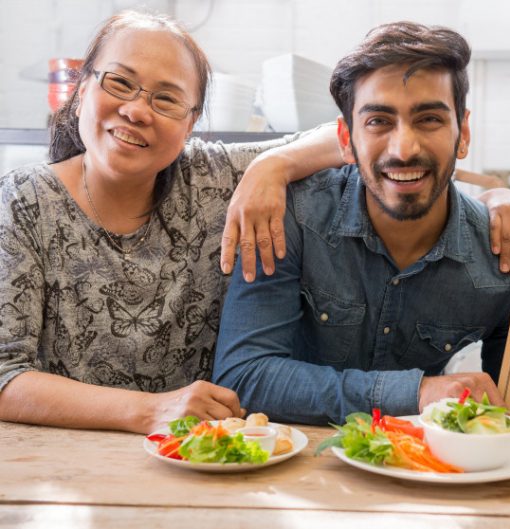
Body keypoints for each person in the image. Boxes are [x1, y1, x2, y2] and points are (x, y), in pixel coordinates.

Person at [0, 11, 345, 434]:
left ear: (191, 123)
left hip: (203, 458)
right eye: (120, 83)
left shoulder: (209, 177)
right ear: (82, 88)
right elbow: (5, 375)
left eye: (166, 99)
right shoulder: (22, 202)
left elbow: (347, 135)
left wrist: (272, 166)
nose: (136, 110)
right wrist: (148, 411)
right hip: (65, 465)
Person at [213, 21, 510, 425]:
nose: (404, 149)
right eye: (378, 121)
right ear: (346, 138)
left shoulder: (505, 255)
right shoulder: (292, 219)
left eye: (429, 119)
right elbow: (244, 378)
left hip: (428, 475)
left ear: (463, 134)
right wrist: (417, 392)